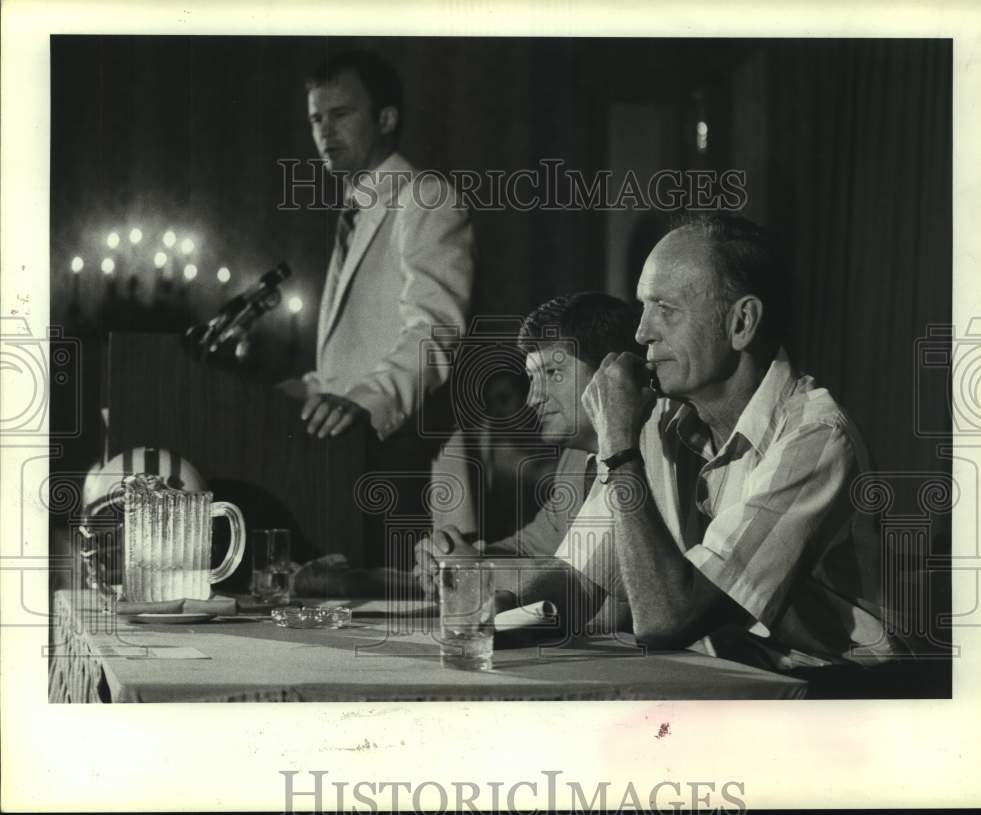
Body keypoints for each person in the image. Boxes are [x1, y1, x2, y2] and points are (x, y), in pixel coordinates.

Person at [508, 213, 902, 673]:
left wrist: (618, 446)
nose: (641, 333)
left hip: (831, 696)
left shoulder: (815, 439)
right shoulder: (659, 423)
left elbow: (668, 620)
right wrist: (503, 612)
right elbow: (576, 583)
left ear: (742, 323)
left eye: (666, 310)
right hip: (725, 684)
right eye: (643, 308)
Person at [293, 292, 641, 598]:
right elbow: (534, 546)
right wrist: (456, 553)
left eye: (552, 374)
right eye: (532, 379)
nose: (533, 399)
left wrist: (474, 569)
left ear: (611, 371)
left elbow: (603, 590)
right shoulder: (576, 458)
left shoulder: (642, 454)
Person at [290, 50, 475, 566]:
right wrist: (307, 390)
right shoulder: (356, 209)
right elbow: (360, 345)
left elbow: (434, 332)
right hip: (345, 469)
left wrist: (364, 403)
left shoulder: (426, 199)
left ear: (386, 118)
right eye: (315, 119)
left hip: (403, 465)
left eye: (341, 114)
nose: (324, 132)